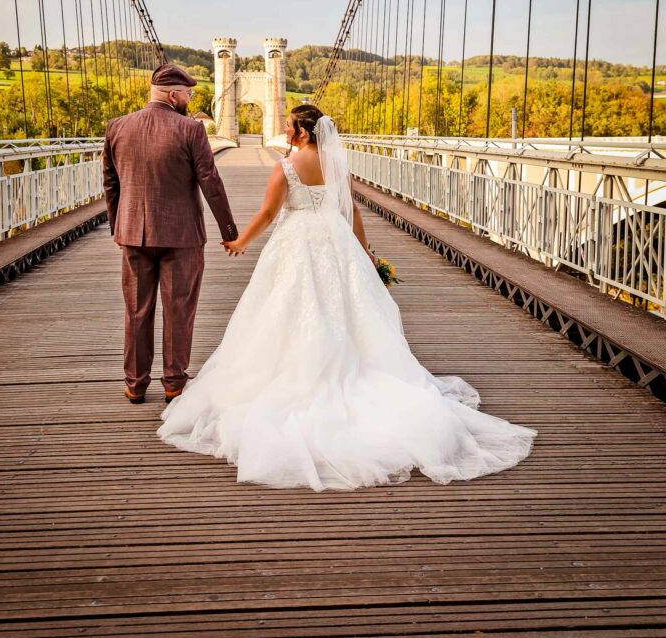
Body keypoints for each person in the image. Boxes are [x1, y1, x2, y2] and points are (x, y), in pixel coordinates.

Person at [157, 104, 536, 490]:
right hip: (336, 240)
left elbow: (269, 213)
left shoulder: (285, 167)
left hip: (298, 242)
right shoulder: (336, 164)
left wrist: (240, 242)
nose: (284, 130)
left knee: (287, 308)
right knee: (350, 309)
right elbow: (350, 210)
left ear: (302, 133)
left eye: (288, 126)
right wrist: (367, 252)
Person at [102, 64, 237, 404]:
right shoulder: (190, 130)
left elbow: (110, 183)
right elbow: (211, 182)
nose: (189, 100)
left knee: (136, 311)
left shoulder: (117, 127)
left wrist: (119, 226)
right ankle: (174, 383)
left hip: (133, 235)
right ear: (173, 94)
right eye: (188, 94)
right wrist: (229, 231)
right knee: (178, 310)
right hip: (182, 238)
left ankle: (135, 384)